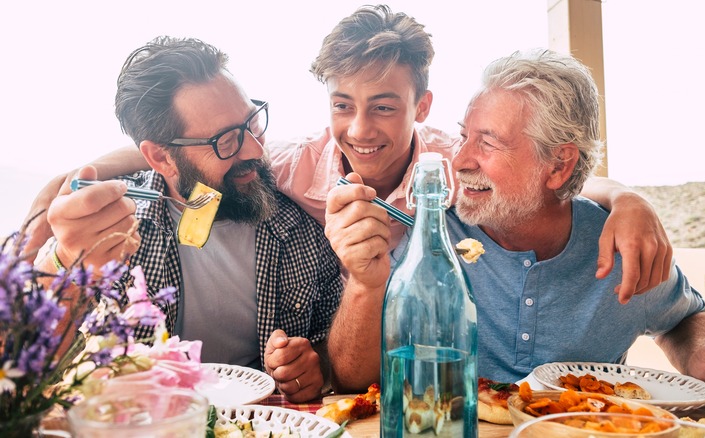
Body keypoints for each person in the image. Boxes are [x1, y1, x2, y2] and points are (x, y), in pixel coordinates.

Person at [24, 5, 671, 306]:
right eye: (342, 104)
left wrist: (627, 198)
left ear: (422, 106)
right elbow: (200, 155)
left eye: (384, 106)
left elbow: (548, 173)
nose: (358, 130)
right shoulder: (286, 162)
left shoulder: (453, 162)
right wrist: (78, 174)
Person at [324, 48, 705, 412]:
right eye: (464, 137)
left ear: (559, 164)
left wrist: (703, 356)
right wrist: (365, 282)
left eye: (488, 142)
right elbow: (354, 378)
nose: (461, 160)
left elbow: (681, 317)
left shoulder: (618, 244)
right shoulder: (434, 237)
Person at [39, 36, 343, 403]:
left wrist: (318, 365)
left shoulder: (299, 224)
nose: (255, 149)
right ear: (161, 158)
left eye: (252, 122)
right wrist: (65, 265)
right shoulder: (109, 230)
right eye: (226, 141)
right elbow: (41, 368)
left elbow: (332, 344)